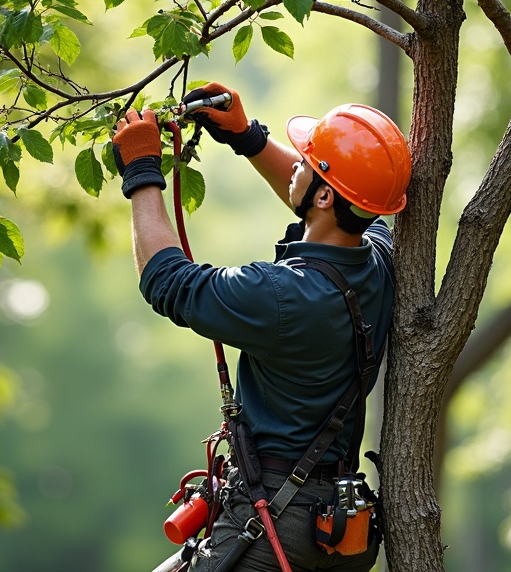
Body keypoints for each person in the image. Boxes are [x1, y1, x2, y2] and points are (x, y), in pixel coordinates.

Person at [111, 82, 411, 572]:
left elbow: (167, 281)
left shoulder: (280, 295)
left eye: (307, 162)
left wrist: (142, 173)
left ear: (325, 195)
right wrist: (247, 137)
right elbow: (330, 204)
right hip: (338, 524)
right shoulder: (378, 259)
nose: (296, 160)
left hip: (274, 522)